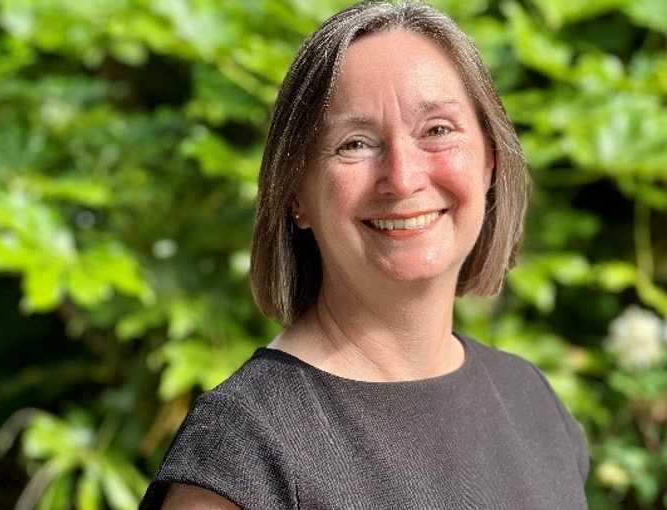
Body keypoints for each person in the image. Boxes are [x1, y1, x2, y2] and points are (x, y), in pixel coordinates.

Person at [140, 1, 590, 509]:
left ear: (489, 160)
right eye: (354, 143)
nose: (402, 178)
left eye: (438, 130)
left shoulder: (531, 402)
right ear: (296, 194)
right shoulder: (245, 448)